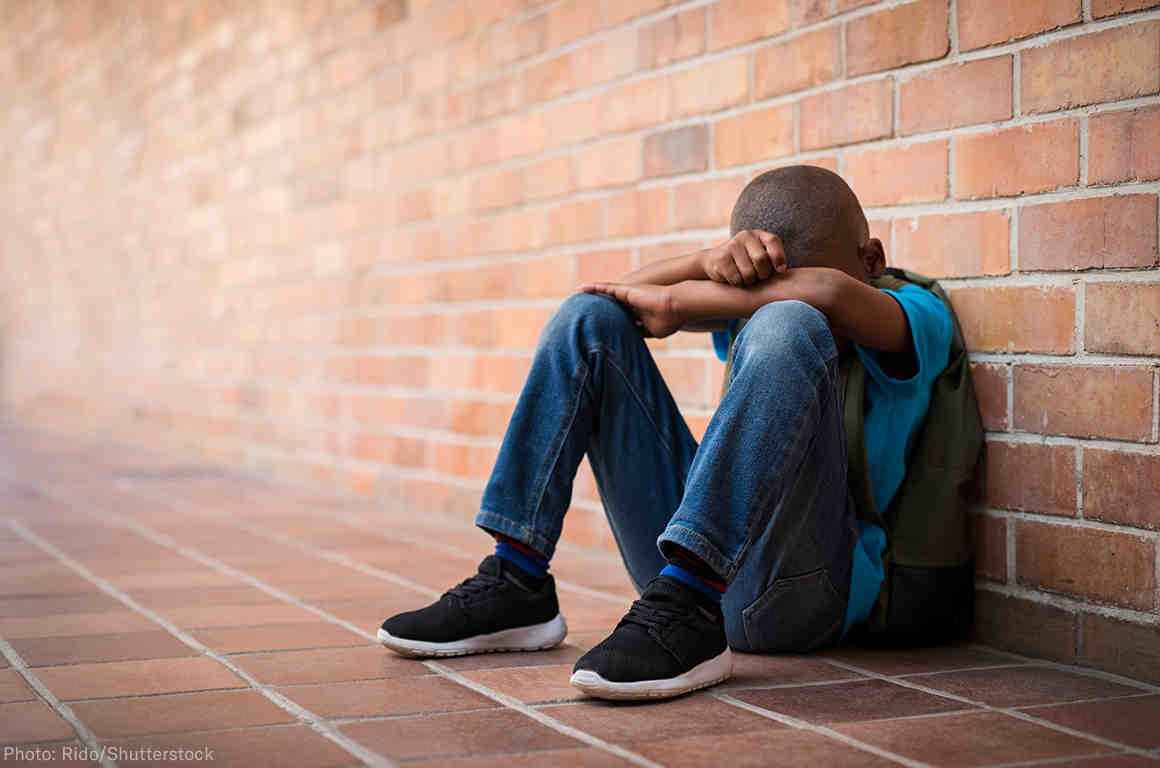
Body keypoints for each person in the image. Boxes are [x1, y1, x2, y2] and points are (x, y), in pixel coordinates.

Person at [377, 165, 954, 701]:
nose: (761, 302)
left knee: (790, 322)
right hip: (677, 582)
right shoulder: (750, 305)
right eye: (759, 289)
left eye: (770, 289)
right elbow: (609, 296)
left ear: (872, 259)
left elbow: (827, 295)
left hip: (802, 596)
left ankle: (691, 605)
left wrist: (681, 301)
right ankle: (518, 576)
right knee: (589, 321)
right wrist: (707, 261)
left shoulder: (914, 314)